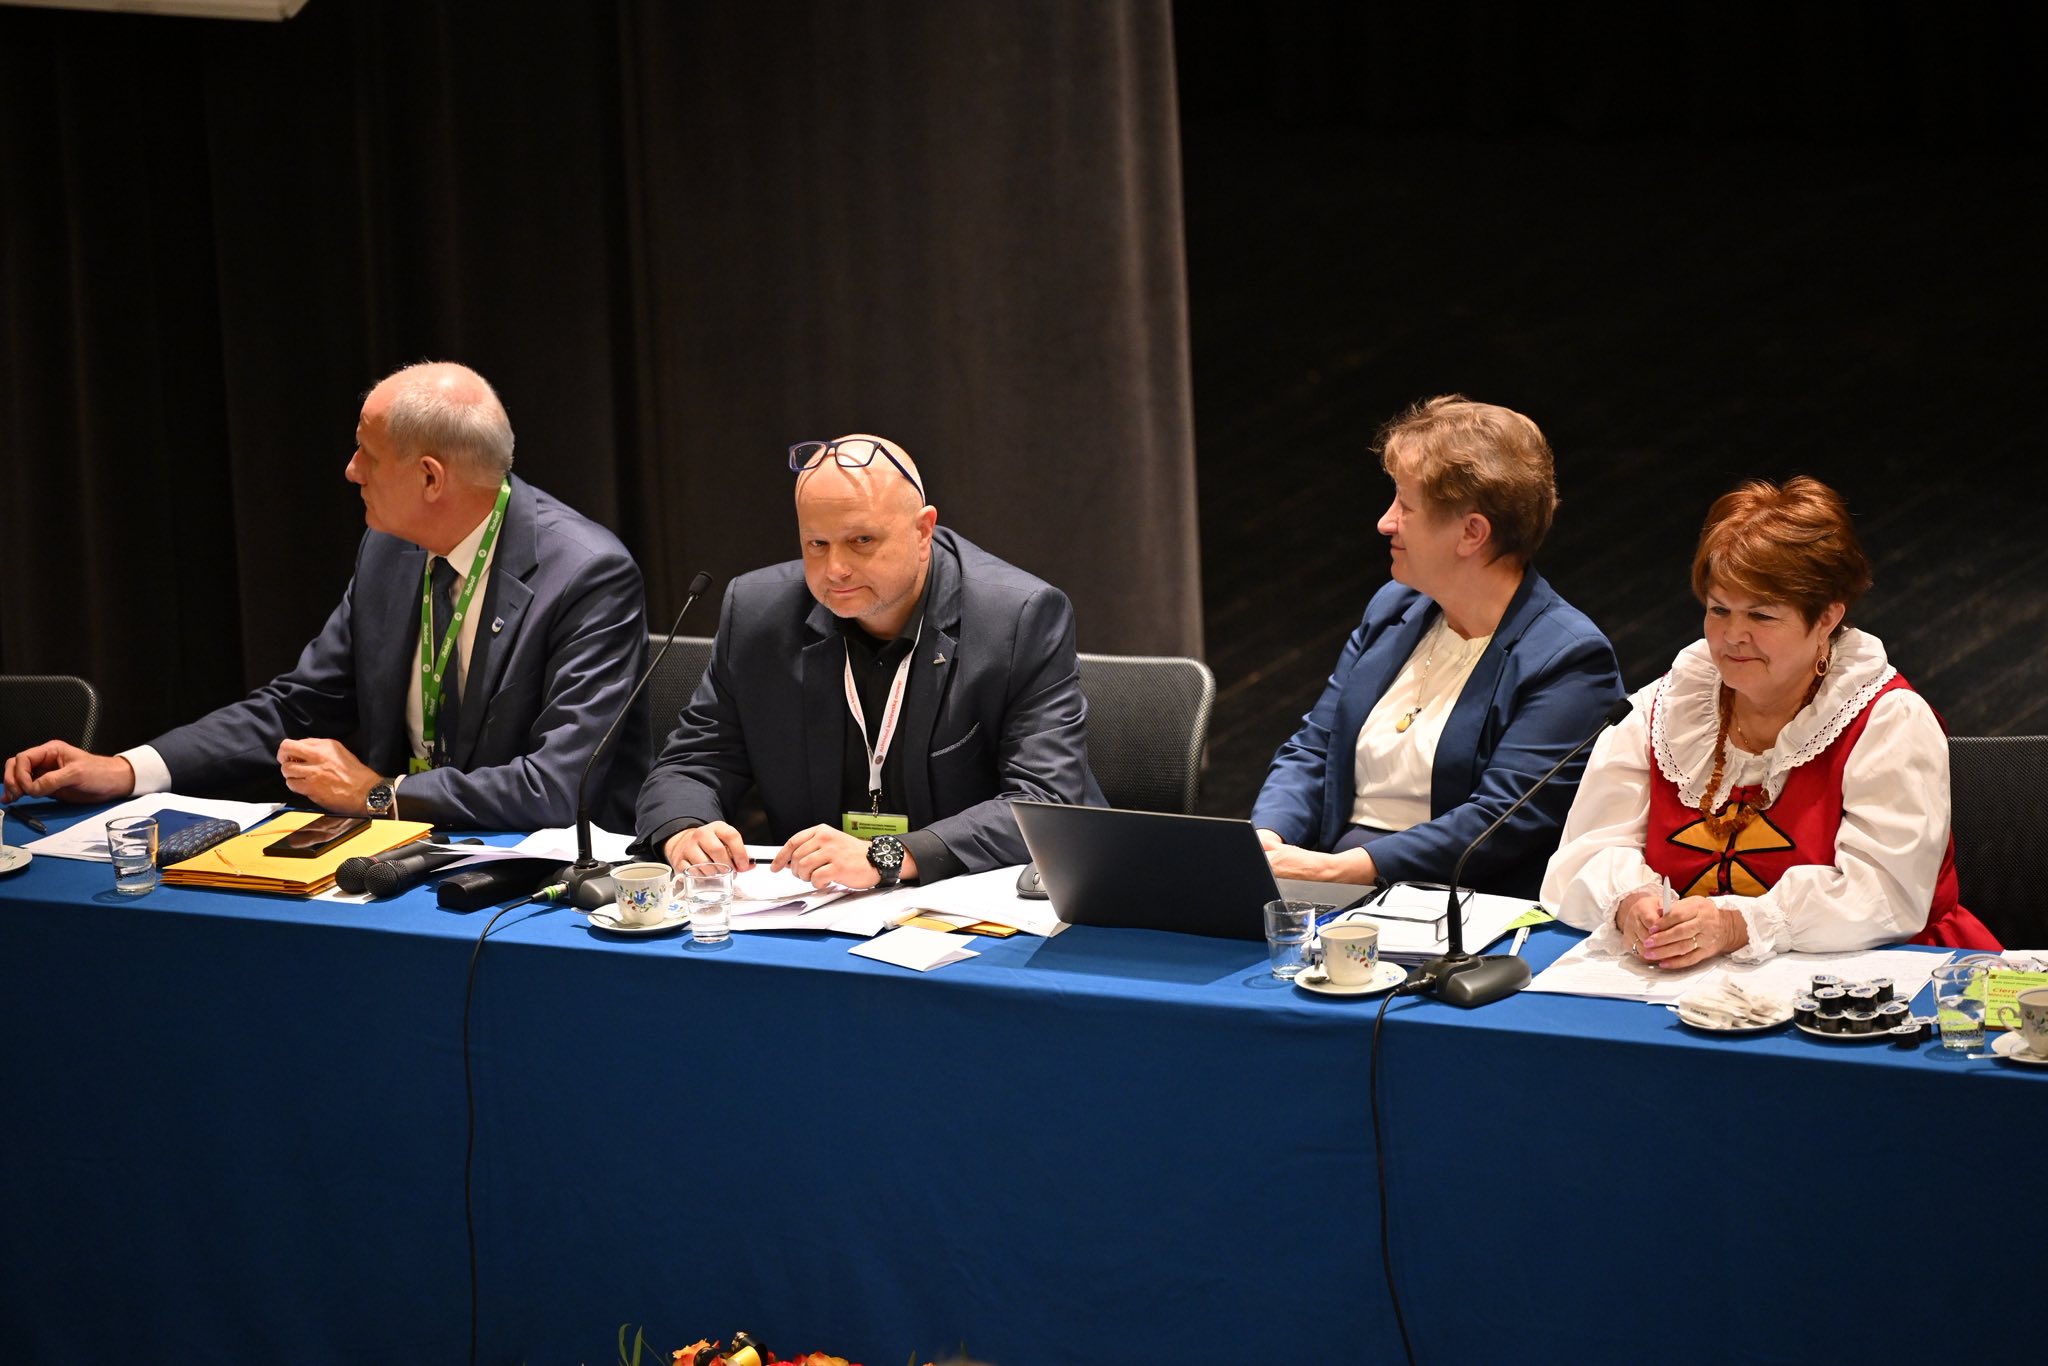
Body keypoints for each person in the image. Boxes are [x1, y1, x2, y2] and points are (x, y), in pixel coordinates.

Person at [2, 362, 651, 832]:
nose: (350, 470)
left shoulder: (586, 574)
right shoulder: (389, 550)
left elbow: (557, 788)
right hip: (398, 854)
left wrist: (381, 794)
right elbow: (298, 707)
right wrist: (126, 768)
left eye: (368, 454)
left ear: (430, 478)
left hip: (537, 875)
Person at [1542, 476, 1999, 964]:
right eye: (1719, 609)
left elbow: (1886, 895)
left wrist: (1739, 925)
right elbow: (1586, 853)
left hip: (1889, 977)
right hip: (1688, 980)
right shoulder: (1664, 710)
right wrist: (1629, 904)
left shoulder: (1887, 722)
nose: (1732, 635)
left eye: (1761, 616)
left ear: (1826, 618)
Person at [637, 434, 1101, 889]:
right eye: (817, 544)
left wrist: (889, 856)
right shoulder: (758, 613)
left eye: (861, 539)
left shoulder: (1018, 617)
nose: (835, 568)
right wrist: (685, 830)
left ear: (923, 531)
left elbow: (1043, 802)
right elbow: (692, 763)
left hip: (976, 901)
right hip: (822, 905)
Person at [1250, 395, 1624, 897]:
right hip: (1329, 880)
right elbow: (1315, 747)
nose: (1385, 522)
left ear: (1472, 533)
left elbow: (1496, 822)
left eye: (1405, 506)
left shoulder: (1569, 659)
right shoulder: (1394, 608)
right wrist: (1267, 840)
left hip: (1454, 906)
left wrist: (1340, 870)